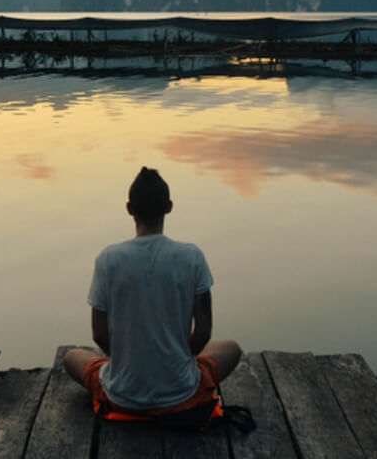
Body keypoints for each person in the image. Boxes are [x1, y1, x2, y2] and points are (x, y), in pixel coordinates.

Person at [63, 167, 242, 415]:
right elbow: (203, 332)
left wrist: (126, 361)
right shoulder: (192, 256)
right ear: (169, 207)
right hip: (182, 392)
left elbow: (99, 334)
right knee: (231, 349)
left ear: (129, 209)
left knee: (72, 357)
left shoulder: (108, 259)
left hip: (122, 395)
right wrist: (178, 359)